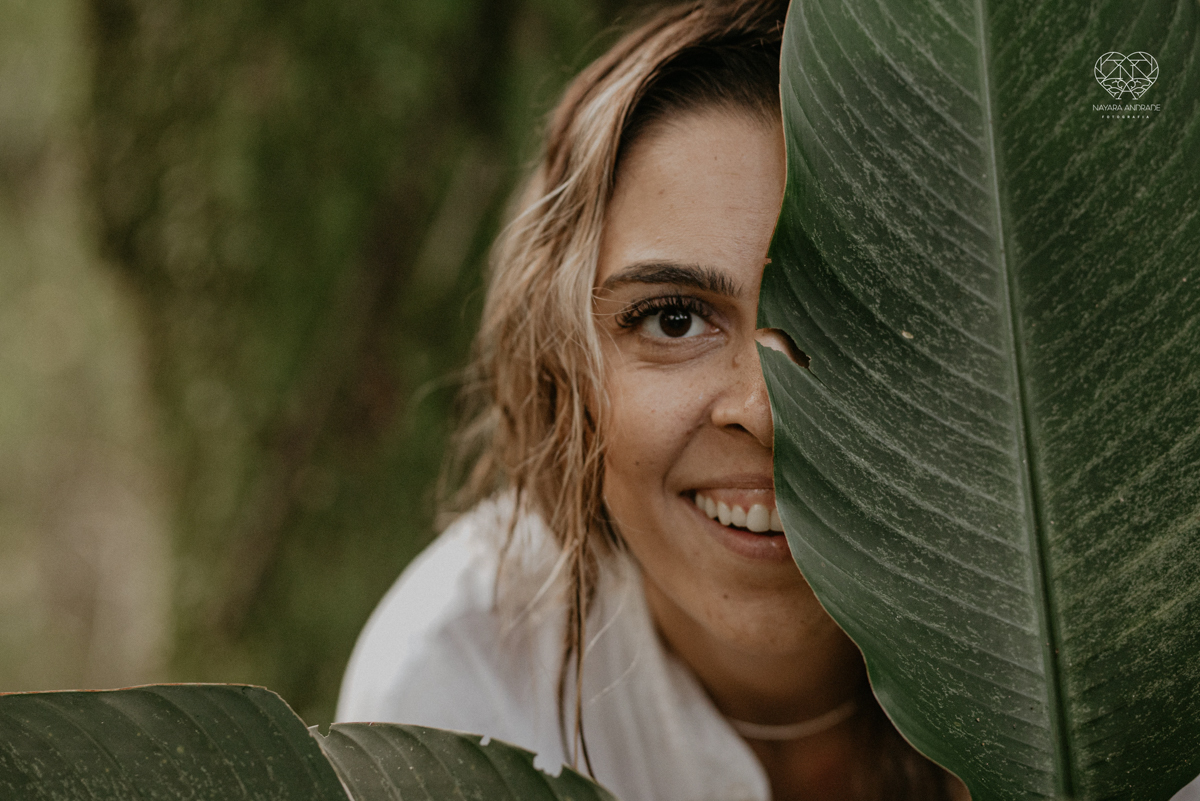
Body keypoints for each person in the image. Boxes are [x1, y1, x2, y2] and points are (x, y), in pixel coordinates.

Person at [337, 2, 966, 799]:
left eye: (850, 311)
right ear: (561, 364)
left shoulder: (1098, 671)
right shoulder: (460, 691)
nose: (763, 410)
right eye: (675, 319)